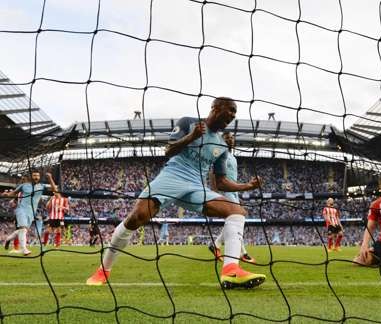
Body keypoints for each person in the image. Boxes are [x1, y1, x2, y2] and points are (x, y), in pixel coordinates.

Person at [87, 97, 266, 289]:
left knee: (237, 211)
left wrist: (247, 186)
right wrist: (191, 137)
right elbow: (168, 150)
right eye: (229, 109)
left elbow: (220, 182)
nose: (232, 115)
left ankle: (230, 270)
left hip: (196, 187)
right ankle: (103, 270)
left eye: (235, 112)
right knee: (135, 218)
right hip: (171, 178)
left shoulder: (222, 145)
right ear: (215, 108)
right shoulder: (189, 122)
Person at [208, 131, 256, 263]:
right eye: (227, 137)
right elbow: (213, 172)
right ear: (222, 139)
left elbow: (233, 179)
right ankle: (242, 253)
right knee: (238, 219)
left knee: (234, 221)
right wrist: (215, 192)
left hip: (233, 192)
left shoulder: (233, 158)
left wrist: (238, 197)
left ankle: (216, 245)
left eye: (232, 138)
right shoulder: (218, 152)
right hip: (224, 191)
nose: (230, 139)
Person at [1, 170, 57, 255]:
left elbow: (55, 190)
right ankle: (24, 249)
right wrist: (7, 194)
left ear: (39, 177)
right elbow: (13, 193)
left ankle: (8, 239)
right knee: (23, 229)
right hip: (21, 210)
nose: (36, 177)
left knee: (23, 230)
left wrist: (50, 178)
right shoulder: (24, 186)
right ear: (31, 177)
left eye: (37, 176)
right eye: (34, 175)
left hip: (31, 212)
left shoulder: (41, 186)